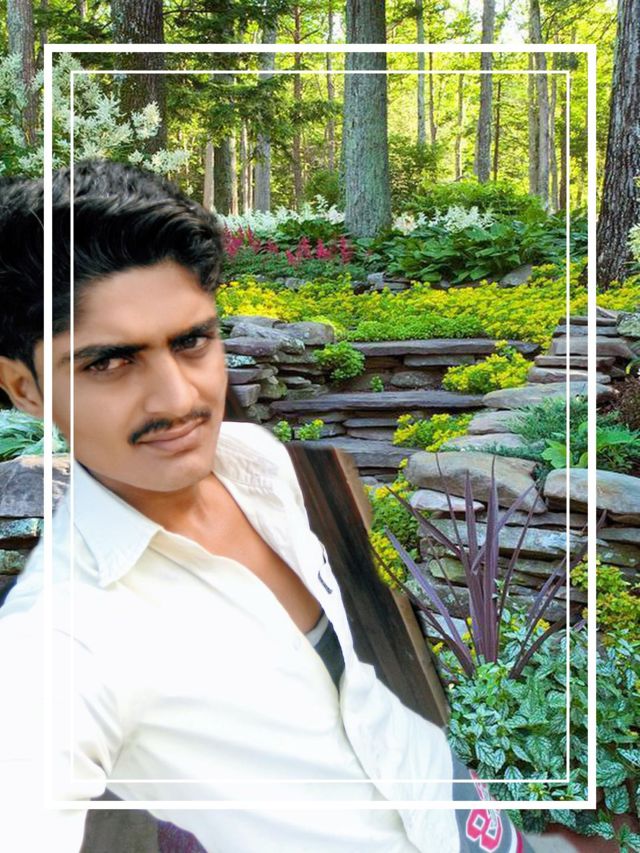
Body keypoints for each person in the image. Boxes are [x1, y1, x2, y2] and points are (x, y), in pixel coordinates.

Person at [0, 161, 536, 853]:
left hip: (452, 803)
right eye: (108, 362)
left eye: (192, 341)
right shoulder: (58, 639)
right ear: (25, 388)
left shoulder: (254, 461)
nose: (180, 400)